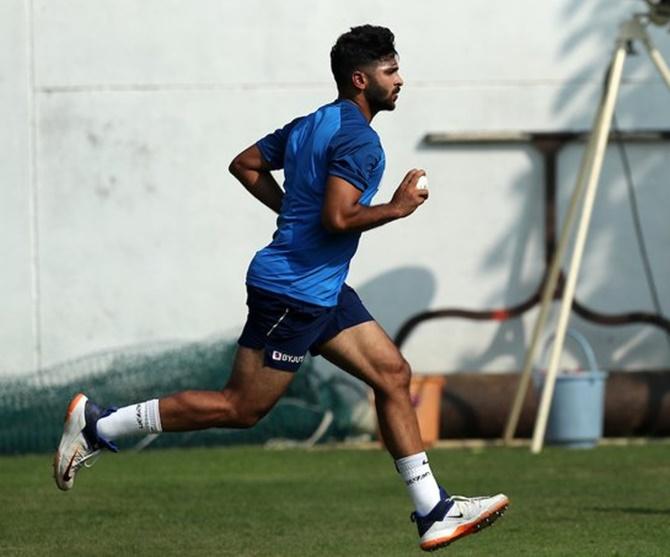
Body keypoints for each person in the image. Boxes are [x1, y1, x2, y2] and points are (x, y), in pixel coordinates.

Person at [53, 24, 508, 551]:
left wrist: (295, 215)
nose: (400, 80)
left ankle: (433, 510)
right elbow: (338, 218)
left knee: (392, 373)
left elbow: (244, 164)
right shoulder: (361, 141)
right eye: (390, 72)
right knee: (240, 408)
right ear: (361, 80)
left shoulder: (313, 122)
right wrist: (397, 208)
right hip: (293, 293)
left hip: (322, 288)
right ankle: (100, 425)